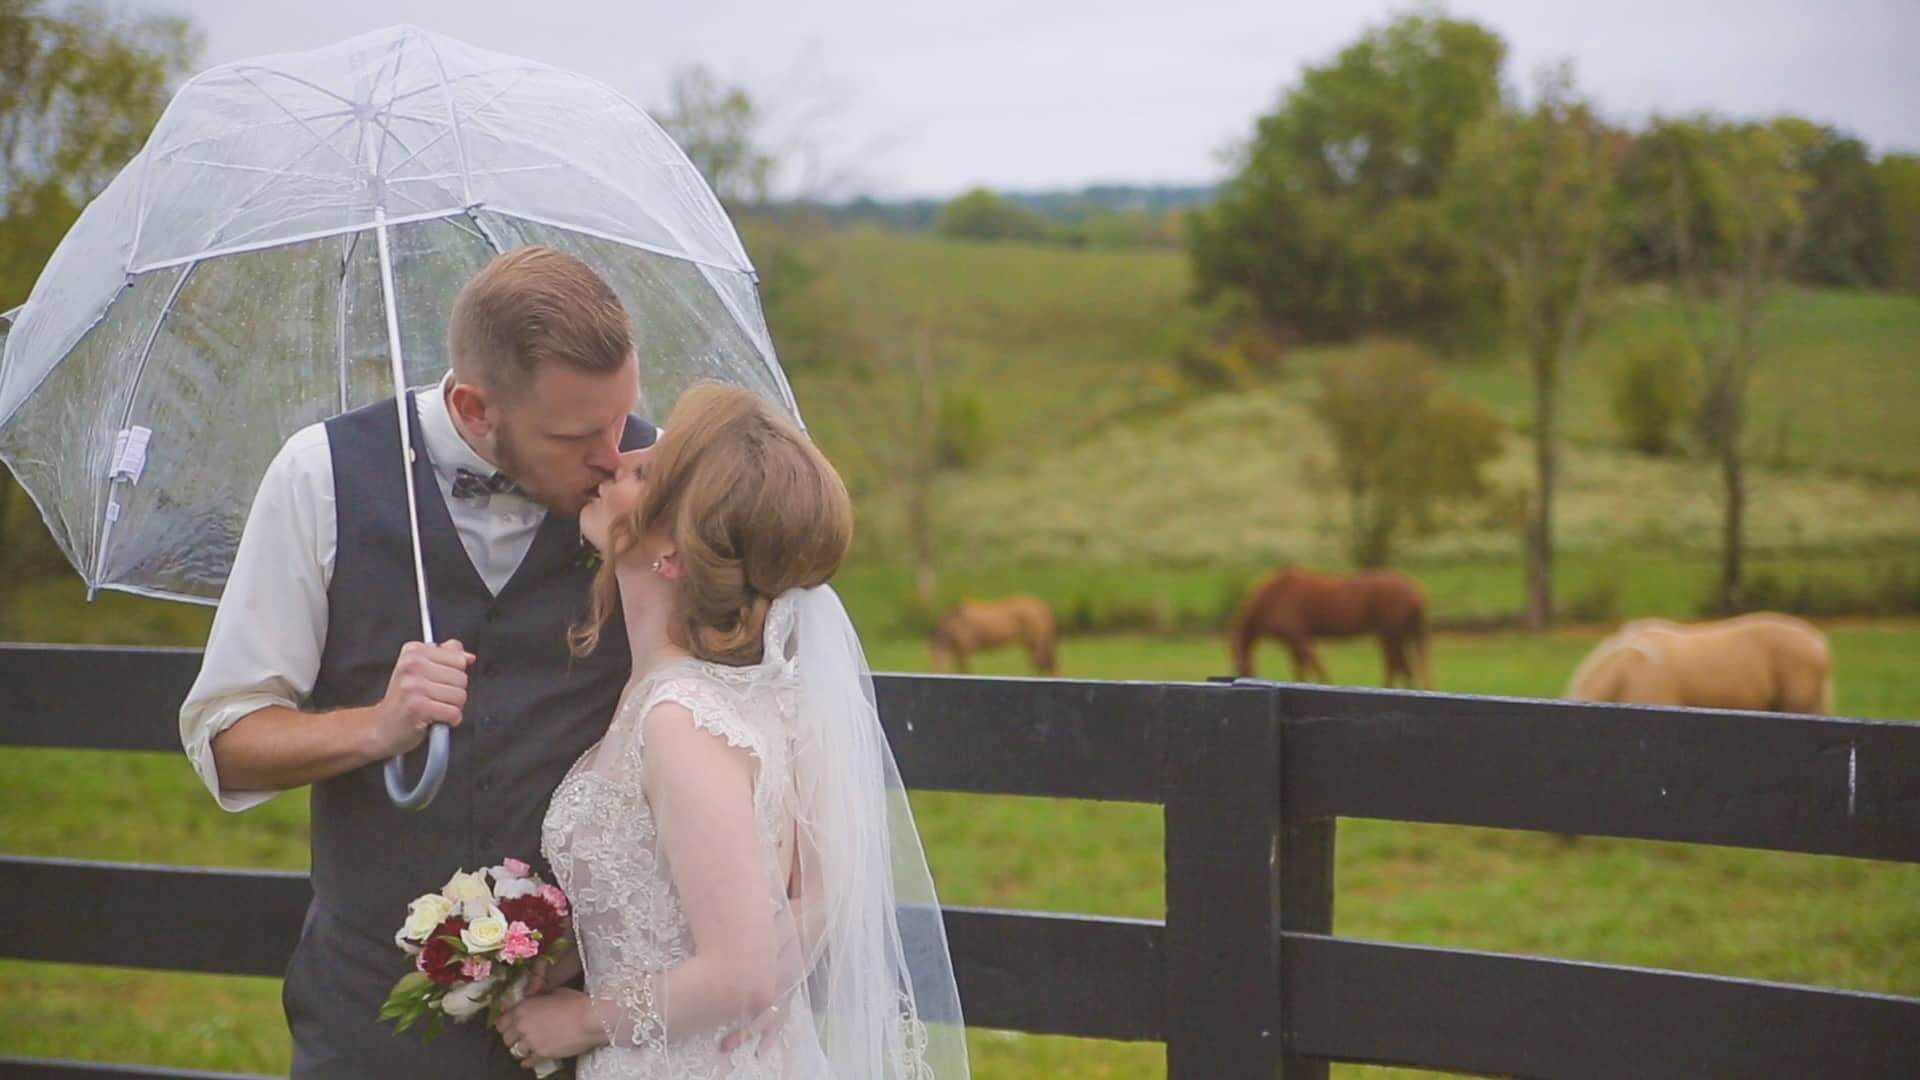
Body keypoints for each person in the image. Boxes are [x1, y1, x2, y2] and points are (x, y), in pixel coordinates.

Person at [176, 246, 657, 1077]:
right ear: (474, 406)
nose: (613, 456)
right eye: (579, 436)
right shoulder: (319, 475)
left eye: (622, 421)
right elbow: (226, 739)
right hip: (370, 1014)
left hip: (590, 1018)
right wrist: (377, 728)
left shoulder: (654, 479)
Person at [497, 382, 968, 1077]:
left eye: (646, 471)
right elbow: (819, 887)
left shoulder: (682, 720)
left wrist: (578, 1020)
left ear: (677, 554)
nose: (615, 461)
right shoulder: (715, 696)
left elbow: (739, 971)